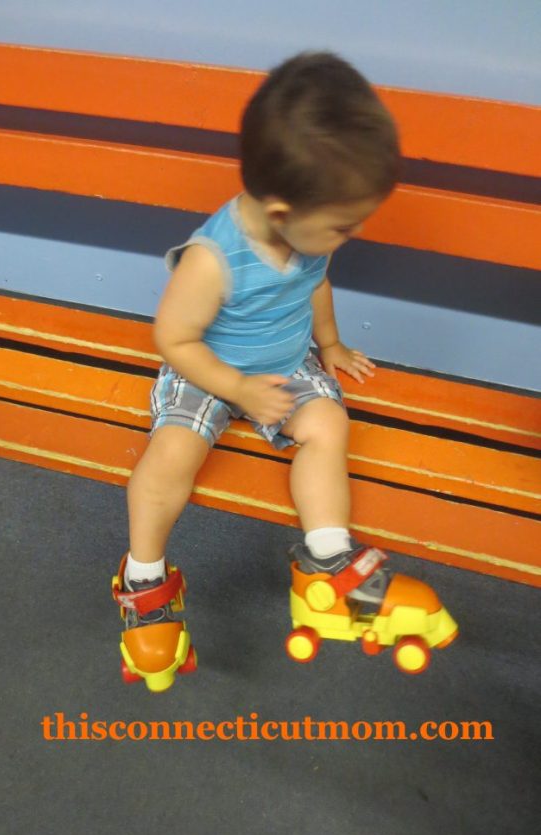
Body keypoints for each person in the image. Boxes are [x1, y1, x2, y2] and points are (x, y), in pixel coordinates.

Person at [112, 50, 404, 690]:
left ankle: (327, 558)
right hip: (206, 370)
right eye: (344, 227)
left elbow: (315, 285)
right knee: (169, 457)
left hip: (284, 364)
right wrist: (236, 387)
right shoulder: (214, 259)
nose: (350, 236)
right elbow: (174, 338)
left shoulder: (306, 234)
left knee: (328, 423)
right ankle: (144, 575)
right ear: (279, 214)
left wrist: (330, 344)